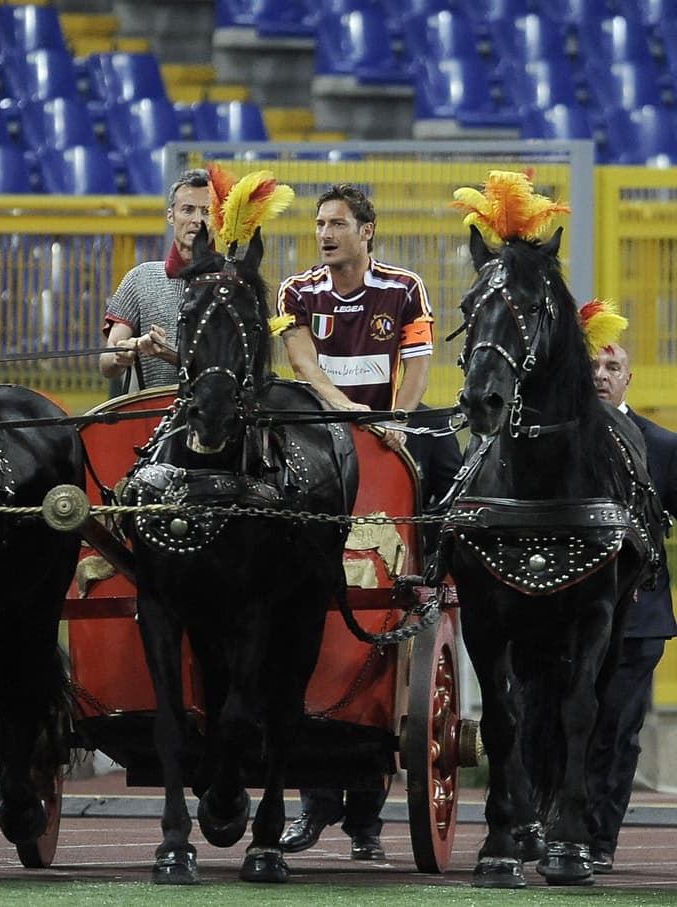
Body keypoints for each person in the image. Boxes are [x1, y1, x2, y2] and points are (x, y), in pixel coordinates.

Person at [275, 183, 454, 861]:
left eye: (337, 224)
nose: (324, 233)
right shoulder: (299, 289)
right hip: (326, 440)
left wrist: (396, 426)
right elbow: (302, 365)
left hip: (394, 440)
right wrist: (351, 415)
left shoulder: (404, 288)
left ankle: (435, 576)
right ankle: (315, 804)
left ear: (367, 231)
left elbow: (415, 368)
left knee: (450, 457)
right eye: (319, 223)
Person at [586, 342, 677, 874]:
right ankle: (554, 829)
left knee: (616, 732)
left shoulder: (662, 446)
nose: (601, 376)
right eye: (592, 367)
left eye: (612, 367)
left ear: (629, 378)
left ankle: (599, 838)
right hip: (559, 620)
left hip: (638, 619)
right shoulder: (541, 446)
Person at [99, 168, 213, 393]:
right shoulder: (141, 279)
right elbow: (106, 365)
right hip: (154, 421)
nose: (197, 220)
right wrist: (121, 354)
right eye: (188, 210)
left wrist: (173, 355)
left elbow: (240, 371)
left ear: (219, 218)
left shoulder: (233, 283)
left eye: (207, 211)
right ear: (171, 216)